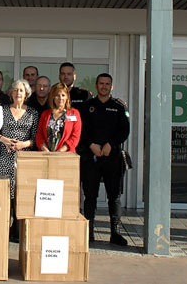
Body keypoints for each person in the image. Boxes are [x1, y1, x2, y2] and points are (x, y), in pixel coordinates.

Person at [79, 73, 130, 246]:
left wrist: (111, 144)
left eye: (107, 84)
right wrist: (91, 144)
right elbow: (82, 130)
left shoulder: (118, 107)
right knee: (90, 196)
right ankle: (89, 232)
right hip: (91, 157)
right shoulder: (87, 107)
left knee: (114, 196)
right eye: (101, 83)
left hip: (112, 157)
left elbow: (125, 130)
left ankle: (115, 233)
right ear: (96, 85)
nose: (104, 86)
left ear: (111, 87)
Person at [0, 79, 38, 242]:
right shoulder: (1, 110)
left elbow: (36, 138)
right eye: (15, 90)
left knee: (21, 194)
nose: (18, 93)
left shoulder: (33, 113)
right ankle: (4, 228)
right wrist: (4, 139)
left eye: (21, 90)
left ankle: (18, 230)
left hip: (24, 158)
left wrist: (24, 144)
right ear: (10, 93)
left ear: (26, 94)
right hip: (4, 157)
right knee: (6, 194)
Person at [35, 83, 81, 153]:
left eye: (63, 95)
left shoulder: (74, 113)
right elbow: (39, 136)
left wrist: (60, 151)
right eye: (57, 95)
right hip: (46, 155)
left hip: (66, 156)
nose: (60, 98)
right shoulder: (45, 114)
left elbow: (75, 137)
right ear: (53, 97)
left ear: (67, 97)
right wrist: (45, 150)